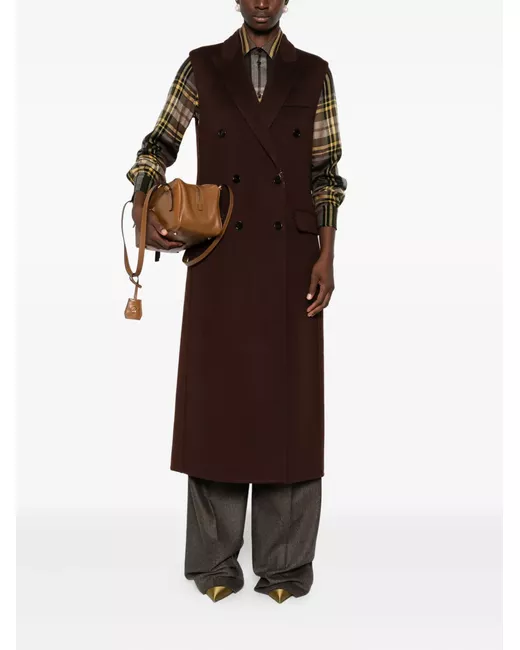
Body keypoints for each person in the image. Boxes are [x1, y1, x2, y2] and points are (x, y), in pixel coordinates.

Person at [126, 0, 347, 604]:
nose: (262, 2)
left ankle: (285, 564)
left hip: (292, 261)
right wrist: (144, 200)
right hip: (220, 255)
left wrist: (327, 254)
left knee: (289, 408)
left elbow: (326, 173)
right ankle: (214, 560)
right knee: (217, 406)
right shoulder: (201, 66)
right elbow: (157, 144)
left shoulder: (314, 72)